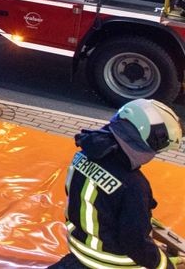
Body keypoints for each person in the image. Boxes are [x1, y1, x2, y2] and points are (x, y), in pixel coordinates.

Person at [49, 98, 182, 269]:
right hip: (110, 261)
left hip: (78, 245)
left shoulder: (84, 154)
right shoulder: (133, 185)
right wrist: (164, 264)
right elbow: (135, 244)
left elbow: (102, 203)